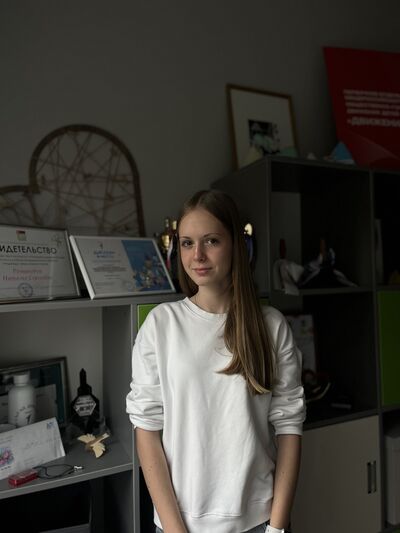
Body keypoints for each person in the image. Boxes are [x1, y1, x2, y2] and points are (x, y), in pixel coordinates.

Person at [126, 189, 306, 533]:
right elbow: (146, 430)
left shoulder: (270, 325)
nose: (198, 255)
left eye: (211, 241)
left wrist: (276, 528)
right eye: (187, 243)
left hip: (259, 521)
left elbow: (289, 427)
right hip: (180, 523)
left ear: (236, 245)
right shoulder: (162, 325)